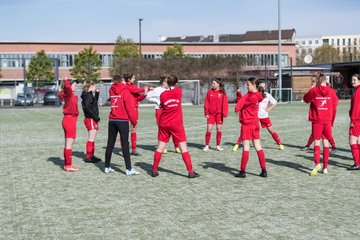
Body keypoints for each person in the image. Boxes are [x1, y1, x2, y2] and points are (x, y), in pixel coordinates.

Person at [151, 74, 200, 178]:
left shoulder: (163, 95)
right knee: (183, 148)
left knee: (160, 147)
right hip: (176, 124)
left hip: (164, 123)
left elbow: (163, 105)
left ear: (167, 83)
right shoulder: (178, 91)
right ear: (176, 83)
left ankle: (154, 170)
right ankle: (191, 172)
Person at [104, 74, 140, 175]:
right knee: (125, 145)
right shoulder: (125, 90)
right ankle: (128, 169)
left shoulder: (111, 89)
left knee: (110, 144)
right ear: (121, 80)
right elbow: (129, 107)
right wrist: (133, 121)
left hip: (112, 120)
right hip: (122, 120)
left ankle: (106, 166)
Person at [303, 73, 339, 176]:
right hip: (327, 120)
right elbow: (335, 102)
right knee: (326, 143)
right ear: (325, 80)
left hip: (317, 120)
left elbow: (306, 99)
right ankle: (325, 167)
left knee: (317, 143)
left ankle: (317, 163)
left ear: (317, 80)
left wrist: (312, 88)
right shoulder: (331, 91)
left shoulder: (314, 90)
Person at [234, 77, 267, 178]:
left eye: (248, 85)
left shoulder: (248, 96)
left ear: (254, 85)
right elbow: (259, 98)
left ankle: (242, 171)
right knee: (258, 146)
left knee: (246, 147)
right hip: (255, 123)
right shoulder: (257, 95)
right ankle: (264, 170)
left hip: (247, 124)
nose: (247, 86)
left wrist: (239, 95)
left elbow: (237, 107)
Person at [146, 76, 181, 154]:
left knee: (173, 128)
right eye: (166, 81)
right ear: (163, 83)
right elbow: (148, 96)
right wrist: (157, 101)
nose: (168, 82)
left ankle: (176, 146)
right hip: (160, 110)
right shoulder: (157, 90)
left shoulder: (170, 89)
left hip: (170, 110)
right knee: (162, 129)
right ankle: (163, 147)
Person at [120, 73, 149, 156]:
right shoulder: (125, 86)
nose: (134, 78)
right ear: (128, 79)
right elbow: (134, 91)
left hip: (134, 110)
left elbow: (137, 98)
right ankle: (123, 149)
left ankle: (133, 149)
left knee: (133, 129)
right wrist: (146, 88)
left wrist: (145, 94)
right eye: (133, 77)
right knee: (125, 131)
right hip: (125, 110)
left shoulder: (133, 86)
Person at [256, 80, 285, 150]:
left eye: (264, 86)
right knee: (252, 130)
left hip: (264, 116)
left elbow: (275, 103)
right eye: (262, 86)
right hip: (255, 116)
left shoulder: (267, 95)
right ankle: (238, 144)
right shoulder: (255, 94)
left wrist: (269, 109)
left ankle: (279, 144)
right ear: (258, 86)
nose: (263, 87)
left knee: (271, 130)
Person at [58, 78, 80, 172]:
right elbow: (66, 87)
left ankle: (67, 164)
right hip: (69, 120)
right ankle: (68, 165)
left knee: (68, 144)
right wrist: (66, 81)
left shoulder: (69, 94)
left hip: (68, 120)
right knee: (69, 144)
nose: (76, 86)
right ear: (70, 87)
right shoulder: (69, 93)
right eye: (74, 85)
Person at [203, 78, 229, 152]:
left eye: (214, 83)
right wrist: (206, 113)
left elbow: (225, 104)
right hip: (211, 114)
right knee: (209, 129)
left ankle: (218, 145)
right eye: (212, 83)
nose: (212, 85)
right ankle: (206, 145)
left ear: (218, 84)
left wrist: (225, 113)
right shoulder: (209, 92)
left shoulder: (222, 93)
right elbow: (206, 103)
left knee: (219, 129)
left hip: (219, 115)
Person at [81, 80, 101, 163]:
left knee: (92, 139)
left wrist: (96, 94)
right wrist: (95, 117)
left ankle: (91, 156)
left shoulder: (88, 95)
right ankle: (88, 157)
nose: (95, 87)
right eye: (94, 86)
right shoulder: (88, 95)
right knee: (91, 139)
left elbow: (93, 104)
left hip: (90, 119)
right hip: (90, 119)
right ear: (91, 86)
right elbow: (88, 107)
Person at [347, 74, 360, 170]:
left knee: (352, 140)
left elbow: (356, 108)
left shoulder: (358, 92)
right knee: (359, 140)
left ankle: (357, 163)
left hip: (357, 120)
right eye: (352, 80)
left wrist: (353, 120)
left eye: (355, 80)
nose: (353, 81)